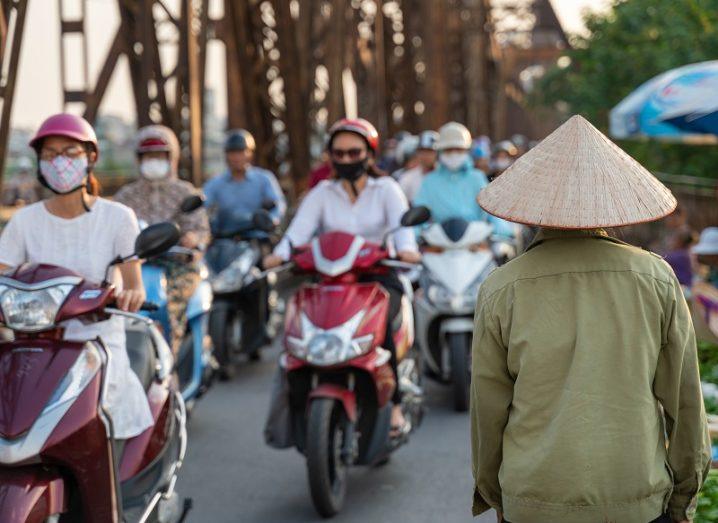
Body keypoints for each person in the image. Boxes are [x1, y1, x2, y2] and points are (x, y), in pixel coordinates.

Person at [471, 115, 710, 523]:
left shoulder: (502, 287)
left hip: (533, 498)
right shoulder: (655, 278)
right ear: (611, 203)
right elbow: (684, 400)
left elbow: (487, 410)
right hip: (634, 497)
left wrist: (498, 495)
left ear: (534, 208)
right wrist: (683, 493)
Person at [0, 113, 154, 441]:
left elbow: (134, 282)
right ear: (39, 163)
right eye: (50, 155)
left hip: (96, 343)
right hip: (34, 346)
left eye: (70, 153)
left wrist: (132, 294)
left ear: (91, 158)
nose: (60, 162)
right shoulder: (24, 222)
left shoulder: (117, 217)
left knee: (100, 424)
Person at [263, 118, 420, 434]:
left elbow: (404, 233)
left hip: (378, 279)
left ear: (369, 154)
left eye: (354, 152)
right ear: (331, 156)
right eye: (339, 153)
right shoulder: (322, 193)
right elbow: (297, 233)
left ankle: (396, 405)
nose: (347, 159)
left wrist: (406, 250)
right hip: (331, 281)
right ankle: (295, 404)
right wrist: (279, 254)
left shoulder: (387, 189)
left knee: (382, 327)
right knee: (297, 325)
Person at [114, 125, 210, 354]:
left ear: (171, 158)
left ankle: (171, 363)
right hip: (135, 265)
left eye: (159, 156)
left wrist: (193, 238)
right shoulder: (126, 196)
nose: (153, 161)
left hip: (177, 264)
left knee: (172, 310)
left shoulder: (184, 192)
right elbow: (112, 229)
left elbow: (200, 228)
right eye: (148, 156)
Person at [204, 129, 285, 375]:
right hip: (224, 243)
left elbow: (278, 205)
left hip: (255, 241)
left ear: (249, 154)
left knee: (258, 283)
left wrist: (271, 220)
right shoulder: (216, 184)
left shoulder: (263, 180)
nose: (236, 157)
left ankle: (260, 329)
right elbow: (202, 204)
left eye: (241, 152)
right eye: (232, 153)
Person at [414, 122, 515, 237]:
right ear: (440, 151)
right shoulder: (429, 181)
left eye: (458, 149)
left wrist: (504, 232)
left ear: (466, 150)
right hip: (439, 244)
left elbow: (491, 209)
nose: (453, 154)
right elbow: (419, 213)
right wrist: (411, 241)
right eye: (448, 150)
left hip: (475, 243)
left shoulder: (477, 177)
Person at [398, 130, 438, 202]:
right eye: (422, 151)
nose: (425, 156)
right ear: (417, 153)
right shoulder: (407, 178)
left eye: (429, 151)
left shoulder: (447, 176)